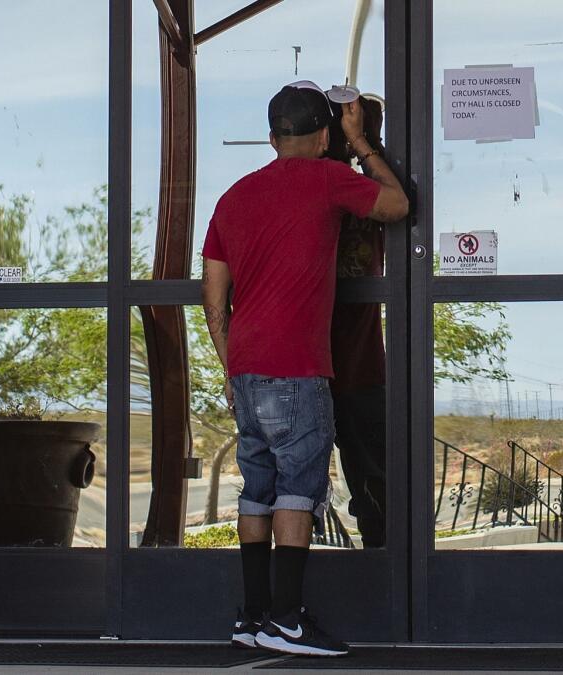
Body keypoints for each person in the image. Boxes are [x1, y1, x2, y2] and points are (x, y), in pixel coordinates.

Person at [200, 80, 408, 657]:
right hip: (298, 369)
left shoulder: (232, 198)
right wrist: (361, 143)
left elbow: (214, 297)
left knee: (257, 490)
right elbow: (396, 204)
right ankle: (289, 621)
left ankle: (252, 616)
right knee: (297, 490)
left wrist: (230, 362)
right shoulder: (325, 178)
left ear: (271, 138)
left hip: (245, 368)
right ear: (322, 137)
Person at [325, 94, 388, 548]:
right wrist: (362, 140)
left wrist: (358, 141)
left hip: (348, 364)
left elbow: (395, 198)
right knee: (371, 477)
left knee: (371, 480)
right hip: (334, 364)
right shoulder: (333, 187)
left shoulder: (361, 192)